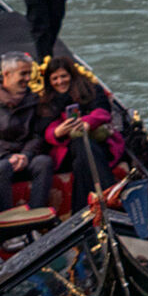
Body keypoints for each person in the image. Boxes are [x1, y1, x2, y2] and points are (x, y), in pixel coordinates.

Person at [0, 52, 55, 213]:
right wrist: (6, 158)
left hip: (25, 157)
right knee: (2, 167)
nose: (28, 78)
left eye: (29, 73)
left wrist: (26, 155)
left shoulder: (34, 100)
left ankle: (37, 215)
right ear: (7, 74)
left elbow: (38, 135)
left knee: (44, 162)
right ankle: (6, 220)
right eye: (24, 74)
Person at [38, 58, 124, 200]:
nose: (60, 81)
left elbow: (102, 111)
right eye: (55, 78)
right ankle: (109, 193)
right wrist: (57, 132)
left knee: (81, 154)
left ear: (71, 75)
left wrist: (86, 123)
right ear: (49, 81)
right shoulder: (48, 101)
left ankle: (82, 207)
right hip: (66, 152)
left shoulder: (91, 89)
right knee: (80, 144)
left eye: (64, 76)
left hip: (99, 142)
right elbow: (45, 129)